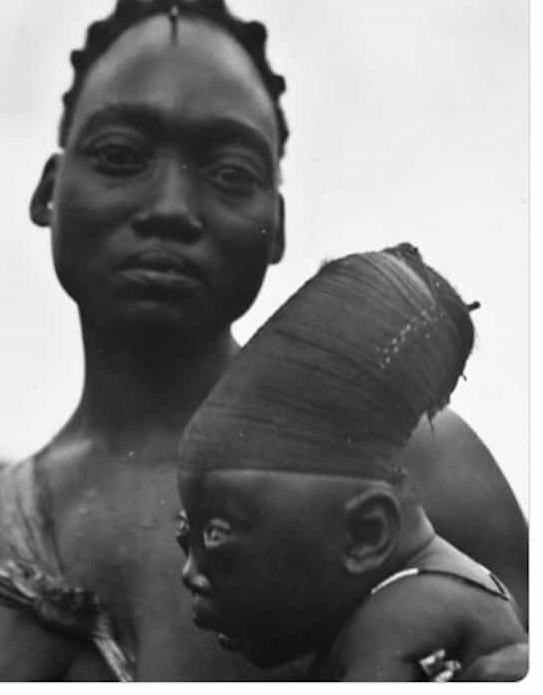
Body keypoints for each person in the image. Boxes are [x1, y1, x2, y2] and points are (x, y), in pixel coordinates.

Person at [0, 0, 527, 681]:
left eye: (230, 173)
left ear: (277, 226)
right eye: (119, 155)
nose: (169, 208)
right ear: (50, 190)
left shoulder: (409, 461)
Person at [178, 245, 527, 680]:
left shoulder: (406, 621)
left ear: (366, 534)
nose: (189, 574)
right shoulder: (400, 606)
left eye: (215, 535)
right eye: (184, 536)